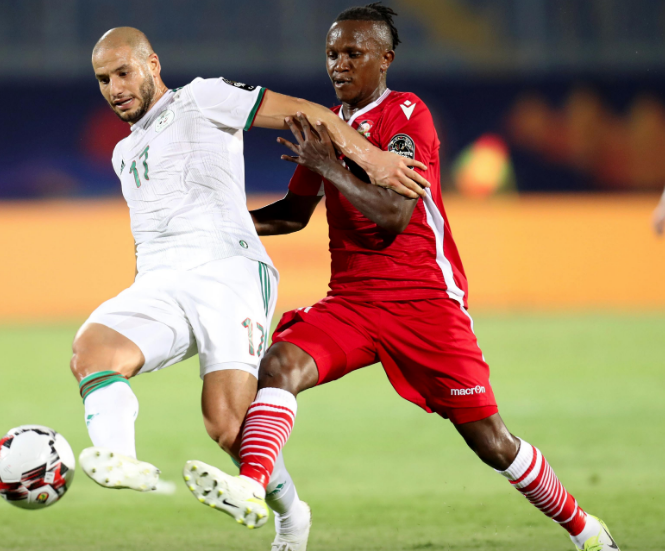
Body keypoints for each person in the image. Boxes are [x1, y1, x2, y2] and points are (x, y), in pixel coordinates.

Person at [183, 5, 619, 551]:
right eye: (332, 54)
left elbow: (393, 216)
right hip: (353, 302)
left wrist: (329, 167)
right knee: (280, 363)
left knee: (492, 443)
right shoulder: (328, 129)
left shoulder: (406, 114)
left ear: (385, 59)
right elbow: (294, 214)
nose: (338, 65)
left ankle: (586, 530)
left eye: (353, 53)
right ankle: (254, 491)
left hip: (425, 302)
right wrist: (218, 228)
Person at [71, 26, 427, 550]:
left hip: (228, 275)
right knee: (92, 349)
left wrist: (374, 160)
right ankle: (121, 459)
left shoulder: (202, 98)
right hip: (160, 279)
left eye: (123, 72)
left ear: (152, 63)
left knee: (226, 425)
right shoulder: (124, 154)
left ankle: (292, 515)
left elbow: (312, 114)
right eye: (103, 79)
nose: (114, 87)